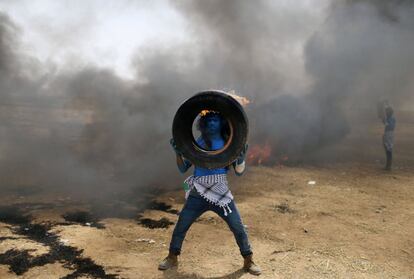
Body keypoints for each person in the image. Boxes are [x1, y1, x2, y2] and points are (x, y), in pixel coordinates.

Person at [158, 111, 261, 275]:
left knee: (238, 227)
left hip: (221, 193)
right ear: (203, 124)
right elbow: (183, 168)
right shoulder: (197, 142)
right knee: (181, 226)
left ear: (222, 123)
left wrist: (241, 159)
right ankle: (172, 257)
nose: (212, 123)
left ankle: (248, 260)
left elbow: (239, 172)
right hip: (197, 193)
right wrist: (178, 152)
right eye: (208, 120)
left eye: (215, 120)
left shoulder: (230, 142)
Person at [382, 106, 396, 171]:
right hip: (388, 134)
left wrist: (385, 121)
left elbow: (390, 126)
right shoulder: (390, 118)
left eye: (387, 111)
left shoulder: (391, 119)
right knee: (387, 149)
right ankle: (388, 165)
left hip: (389, 134)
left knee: (388, 150)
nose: (386, 113)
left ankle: (388, 166)